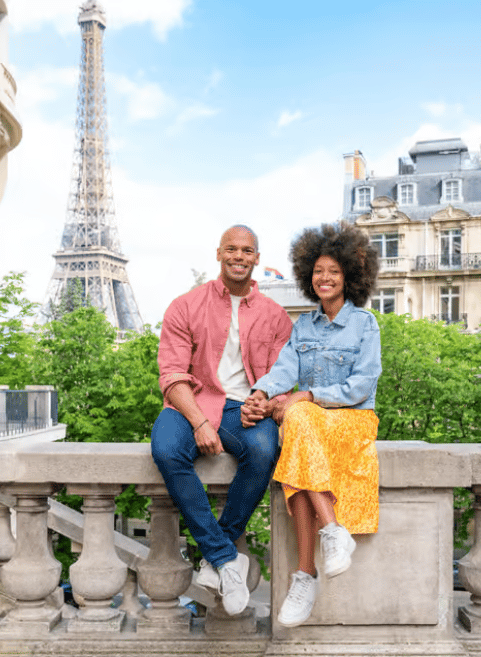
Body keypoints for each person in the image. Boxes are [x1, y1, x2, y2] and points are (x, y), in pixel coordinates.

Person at [243, 221, 382, 627]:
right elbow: (284, 369)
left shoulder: (365, 324)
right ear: (308, 276)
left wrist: (308, 395)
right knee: (299, 426)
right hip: (312, 425)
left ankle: (305, 574)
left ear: (349, 276)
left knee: (298, 419)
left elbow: (361, 386)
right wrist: (261, 393)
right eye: (318, 271)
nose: (325, 278)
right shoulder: (303, 325)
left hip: (352, 420)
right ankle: (332, 533)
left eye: (333, 271)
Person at [151, 225, 293, 616]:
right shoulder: (185, 306)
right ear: (218, 253)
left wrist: (264, 402)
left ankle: (217, 555)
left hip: (245, 408)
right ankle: (227, 558)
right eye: (231, 249)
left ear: (257, 258)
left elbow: (282, 377)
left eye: (246, 250)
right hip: (191, 402)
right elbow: (172, 375)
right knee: (165, 449)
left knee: (263, 449)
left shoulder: (276, 316)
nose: (238, 256)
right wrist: (199, 422)